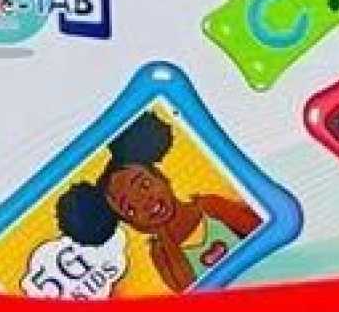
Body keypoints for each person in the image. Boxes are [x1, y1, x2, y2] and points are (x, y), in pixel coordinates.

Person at [57, 111, 262, 293]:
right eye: (129, 208)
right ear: (130, 223)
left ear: (162, 178)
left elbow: (256, 230)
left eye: (144, 184)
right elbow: (189, 291)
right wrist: (166, 239)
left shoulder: (209, 207)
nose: (144, 202)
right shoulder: (161, 253)